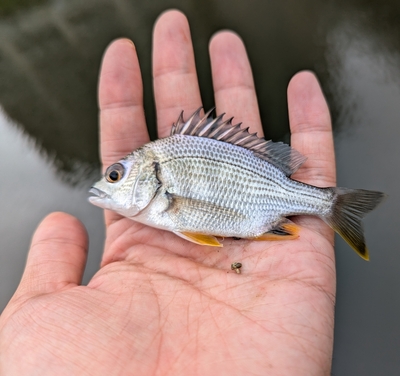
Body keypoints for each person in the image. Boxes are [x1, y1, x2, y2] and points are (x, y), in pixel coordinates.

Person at [0, 10, 337, 375]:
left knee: (322, 200)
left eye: (116, 175)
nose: (108, 182)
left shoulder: (164, 175)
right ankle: (327, 203)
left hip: (265, 199)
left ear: (152, 176)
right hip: (255, 212)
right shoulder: (160, 186)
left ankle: (330, 203)